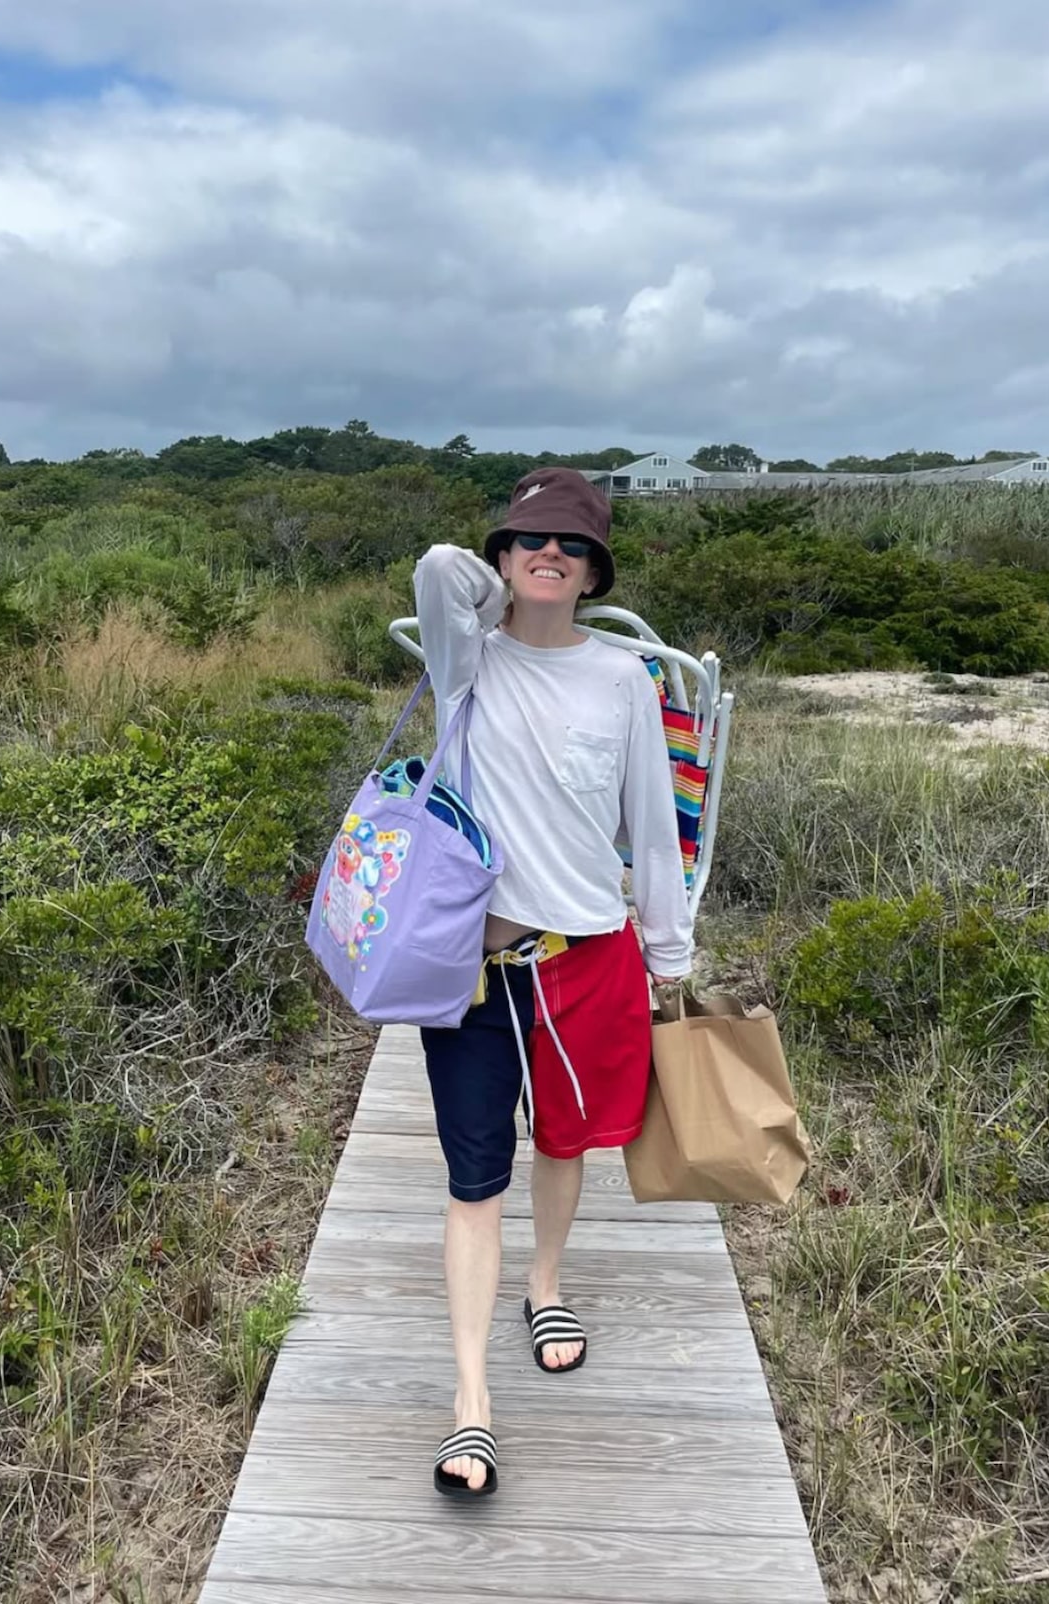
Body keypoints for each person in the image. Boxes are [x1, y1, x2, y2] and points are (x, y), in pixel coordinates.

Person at [413, 466, 695, 1499]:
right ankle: (471, 1401)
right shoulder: (466, 661)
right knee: (472, 1178)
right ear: (502, 555)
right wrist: (497, 584)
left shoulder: (623, 678)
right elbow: (435, 569)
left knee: (567, 1142)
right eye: (529, 539)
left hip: (589, 956)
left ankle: (545, 1284)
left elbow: (654, 830)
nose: (550, 554)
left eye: (572, 545)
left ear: (595, 571)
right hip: (473, 971)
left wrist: (671, 956)